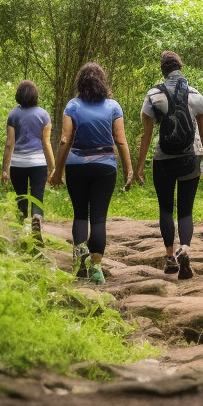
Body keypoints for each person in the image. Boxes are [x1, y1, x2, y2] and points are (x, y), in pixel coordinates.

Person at [49, 62, 134, 283]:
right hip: (105, 167)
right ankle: (96, 267)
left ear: (81, 82)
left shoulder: (73, 105)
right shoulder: (113, 107)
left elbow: (65, 139)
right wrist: (129, 169)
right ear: (102, 83)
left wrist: (57, 171)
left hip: (76, 165)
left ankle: (79, 262)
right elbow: (121, 141)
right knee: (98, 218)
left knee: (80, 214)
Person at [136, 51, 203, 280]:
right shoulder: (196, 95)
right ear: (181, 67)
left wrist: (139, 167)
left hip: (164, 159)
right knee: (186, 211)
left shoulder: (153, 95)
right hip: (190, 159)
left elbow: (147, 135)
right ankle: (185, 249)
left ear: (163, 70)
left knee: (166, 209)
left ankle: (170, 257)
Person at [1, 80, 55, 242]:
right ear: (35, 96)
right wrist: (53, 168)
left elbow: (9, 143)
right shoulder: (43, 115)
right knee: (37, 196)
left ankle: (18, 231)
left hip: (18, 164)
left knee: (21, 197)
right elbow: (46, 143)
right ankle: (37, 221)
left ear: (18, 95)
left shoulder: (13, 115)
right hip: (39, 163)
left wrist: (5, 169)